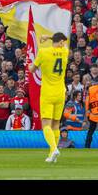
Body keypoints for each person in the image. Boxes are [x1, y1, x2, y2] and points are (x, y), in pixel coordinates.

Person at [33, 31, 69, 163]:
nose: (63, 44)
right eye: (62, 42)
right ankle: (51, 155)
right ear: (60, 42)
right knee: (56, 125)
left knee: (46, 125)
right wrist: (49, 37)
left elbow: (32, 69)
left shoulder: (43, 52)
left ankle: (53, 149)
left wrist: (45, 38)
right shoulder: (65, 52)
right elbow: (61, 45)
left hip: (48, 93)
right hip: (60, 93)